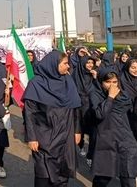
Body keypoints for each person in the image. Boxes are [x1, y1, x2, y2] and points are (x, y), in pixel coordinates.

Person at [23, 50, 82, 187]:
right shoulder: (36, 84)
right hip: (44, 137)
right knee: (43, 175)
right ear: (53, 64)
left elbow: (76, 108)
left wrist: (77, 131)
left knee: (63, 174)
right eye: (65, 63)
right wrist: (32, 137)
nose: (68, 66)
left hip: (65, 136)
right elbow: (30, 113)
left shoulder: (68, 81)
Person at [89, 67, 137, 187]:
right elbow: (100, 114)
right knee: (104, 176)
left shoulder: (124, 95)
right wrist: (110, 98)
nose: (112, 85)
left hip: (125, 138)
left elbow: (132, 112)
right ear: (101, 82)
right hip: (106, 139)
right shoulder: (95, 94)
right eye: (108, 82)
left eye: (115, 82)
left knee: (128, 174)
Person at [72, 55, 97, 161]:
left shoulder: (95, 75)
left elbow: (100, 90)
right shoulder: (75, 75)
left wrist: (96, 78)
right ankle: (81, 146)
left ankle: (90, 155)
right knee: (79, 130)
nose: (90, 65)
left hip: (92, 108)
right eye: (88, 63)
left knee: (93, 133)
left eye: (92, 63)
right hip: (79, 108)